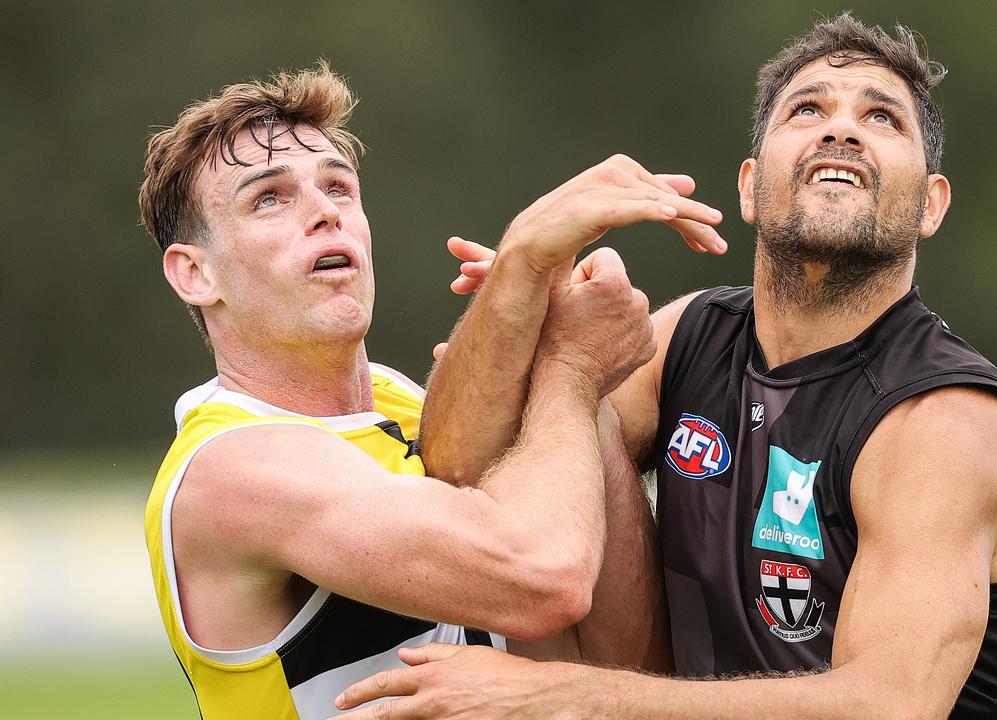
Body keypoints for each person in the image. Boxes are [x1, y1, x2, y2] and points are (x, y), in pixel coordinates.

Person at [334, 13, 997, 719]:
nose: (842, 129)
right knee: (568, 400)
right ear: (747, 187)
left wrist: (561, 699)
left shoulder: (945, 420)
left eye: (883, 118)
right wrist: (526, 277)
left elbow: (889, 707)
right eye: (807, 109)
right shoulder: (693, 334)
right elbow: (464, 462)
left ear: (931, 205)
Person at [138, 63, 725, 719]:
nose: (324, 212)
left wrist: (552, 350)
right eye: (269, 198)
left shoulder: (397, 402)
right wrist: (570, 366)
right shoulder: (233, 467)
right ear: (195, 273)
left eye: (338, 186)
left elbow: (623, 672)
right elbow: (543, 579)